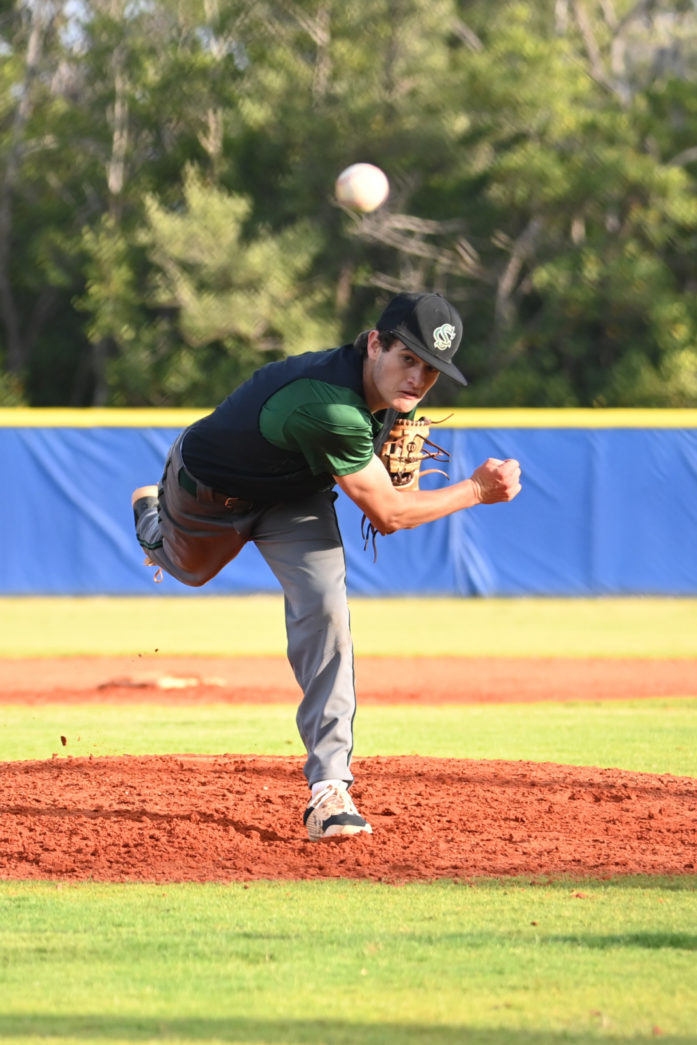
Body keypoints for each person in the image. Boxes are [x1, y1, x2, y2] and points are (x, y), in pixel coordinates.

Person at [131, 291, 522, 841]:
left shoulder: (386, 402)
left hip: (294, 498)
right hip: (207, 492)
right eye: (407, 358)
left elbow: (386, 488)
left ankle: (329, 789)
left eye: (430, 369)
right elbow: (388, 513)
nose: (417, 378)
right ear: (373, 343)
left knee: (326, 616)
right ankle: (151, 517)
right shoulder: (330, 404)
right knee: (189, 570)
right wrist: (477, 489)